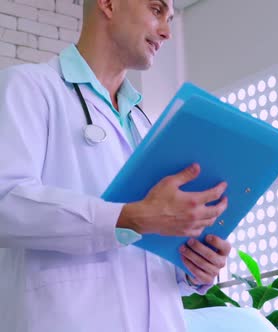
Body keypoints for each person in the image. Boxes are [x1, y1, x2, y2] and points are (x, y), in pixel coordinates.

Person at [0, 0, 234, 330]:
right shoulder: (28, 88)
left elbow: (148, 252)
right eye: (156, 10)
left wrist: (193, 265)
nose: (167, 31)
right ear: (108, 4)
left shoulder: (146, 126)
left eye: (169, 17)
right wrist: (129, 217)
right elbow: (6, 201)